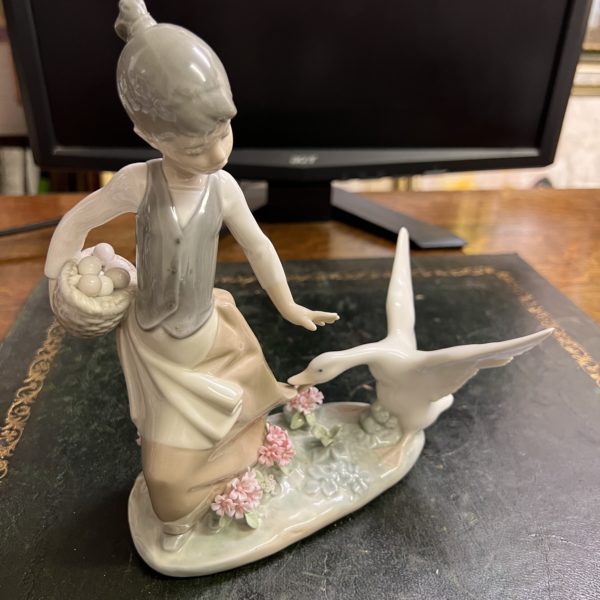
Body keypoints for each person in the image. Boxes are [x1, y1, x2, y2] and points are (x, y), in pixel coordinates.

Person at [45, 0, 338, 551]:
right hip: (153, 345)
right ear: (147, 134)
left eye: (225, 130)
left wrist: (288, 305)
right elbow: (78, 220)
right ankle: (184, 510)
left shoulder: (223, 188)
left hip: (207, 340)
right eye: (195, 144)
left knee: (217, 438)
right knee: (165, 484)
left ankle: (228, 478)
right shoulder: (139, 182)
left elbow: (258, 244)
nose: (218, 152)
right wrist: (58, 278)